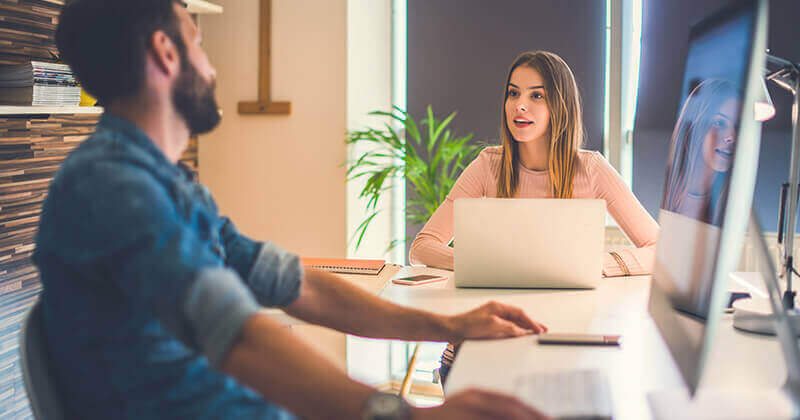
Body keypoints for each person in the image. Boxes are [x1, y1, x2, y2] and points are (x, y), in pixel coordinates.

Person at [33, 1, 551, 419]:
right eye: (200, 43)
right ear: (167, 53)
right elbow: (239, 336)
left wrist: (450, 327)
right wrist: (405, 416)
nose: (212, 69)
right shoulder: (111, 188)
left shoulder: (172, 187)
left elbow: (295, 284)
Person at [407, 51, 659, 383]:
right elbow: (423, 246)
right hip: (479, 353)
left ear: (561, 106)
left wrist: (596, 264)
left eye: (536, 95)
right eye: (513, 93)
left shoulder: (592, 170)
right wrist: (484, 264)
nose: (519, 105)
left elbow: (659, 248)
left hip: (563, 351)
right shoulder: (488, 164)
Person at [662, 78, 739, 227]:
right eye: (720, 123)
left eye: (738, 126)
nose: (732, 137)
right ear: (696, 127)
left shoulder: (731, 203)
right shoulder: (667, 191)